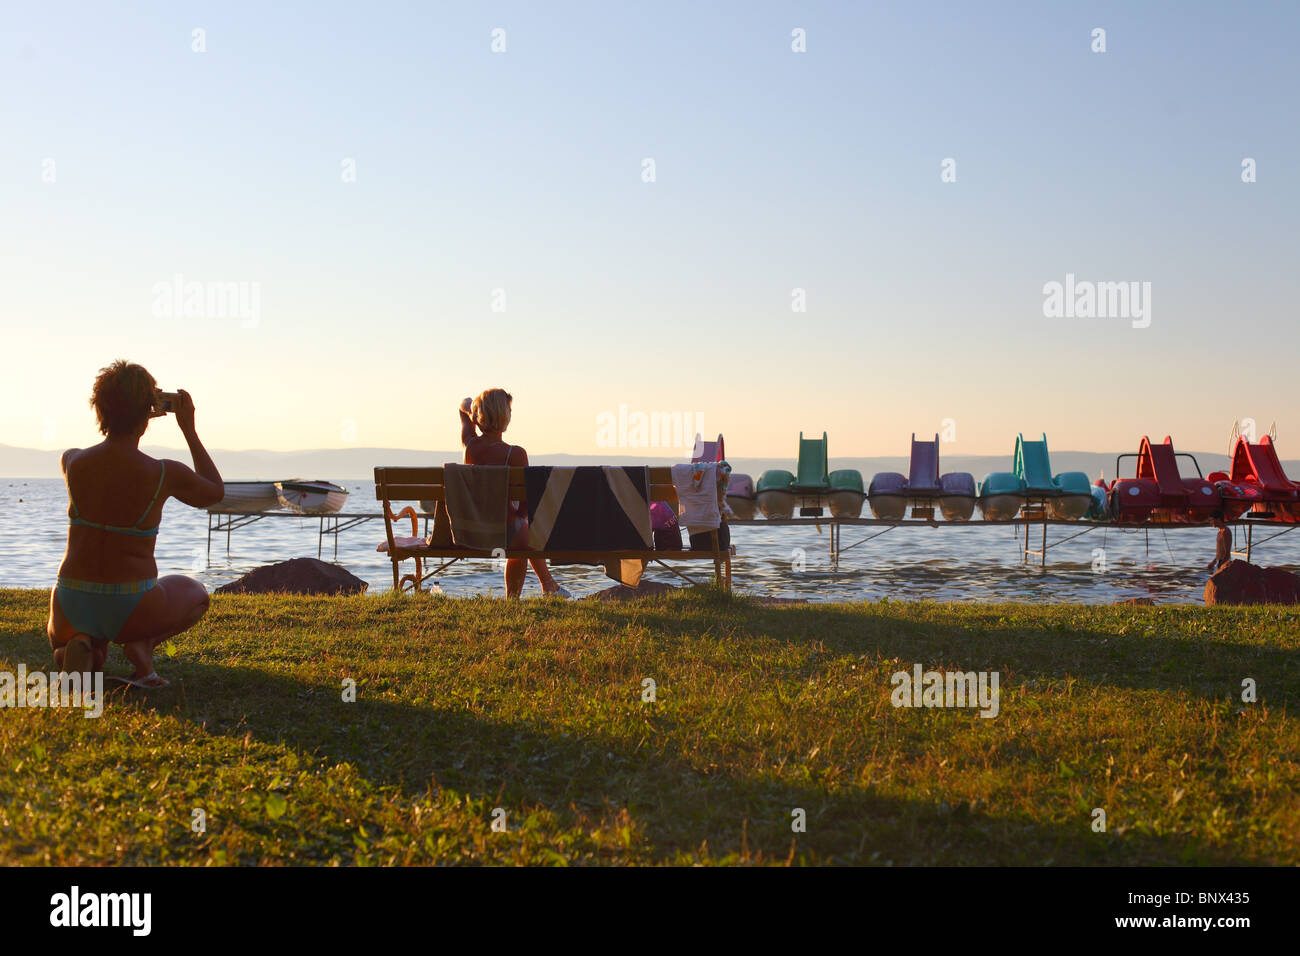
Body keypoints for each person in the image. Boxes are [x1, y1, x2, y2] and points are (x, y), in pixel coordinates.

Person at [47, 361, 224, 688]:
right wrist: (189, 429)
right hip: (129, 605)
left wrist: (129, 410)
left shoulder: (71, 461)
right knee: (197, 594)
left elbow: (105, 463)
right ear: (149, 413)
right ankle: (140, 646)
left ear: (99, 409)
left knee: (75, 635)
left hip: (69, 603)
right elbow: (214, 492)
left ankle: (77, 651)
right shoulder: (163, 473)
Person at [459, 388, 570, 599]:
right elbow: (528, 502)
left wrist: (471, 409)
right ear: (505, 416)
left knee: (522, 530)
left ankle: (548, 585)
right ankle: (536, 590)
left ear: (478, 416)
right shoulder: (516, 454)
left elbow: (463, 410)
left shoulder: (470, 445)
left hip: (471, 528)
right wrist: (521, 517)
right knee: (525, 531)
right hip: (505, 532)